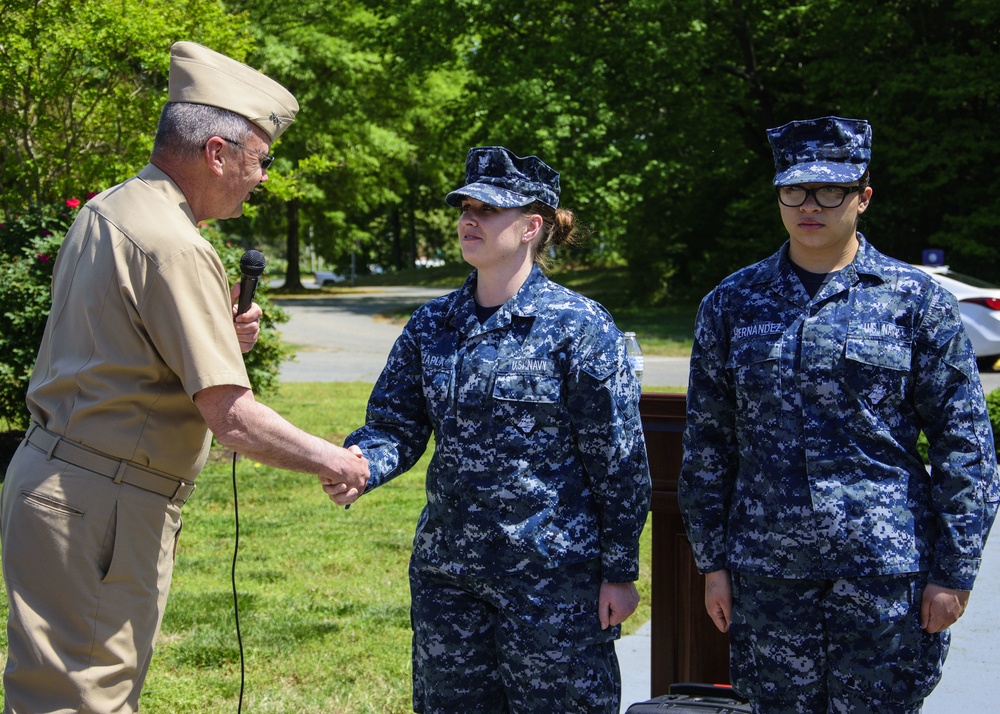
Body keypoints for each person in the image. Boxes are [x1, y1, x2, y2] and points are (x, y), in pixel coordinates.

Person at [0, 41, 368, 713]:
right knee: (86, 701)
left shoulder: (110, 209)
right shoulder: (175, 244)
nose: (260, 179)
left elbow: (115, 350)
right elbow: (231, 417)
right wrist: (333, 459)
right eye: (259, 161)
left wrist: (217, 339)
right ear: (217, 152)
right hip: (101, 503)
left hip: (58, 484)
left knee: (57, 693)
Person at [678, 115, 1000, 713]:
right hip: (768, 574)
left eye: (830, 191)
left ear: (863, 197)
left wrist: (955, 571)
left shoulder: (915, 301)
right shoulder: (731, 303)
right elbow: (708, 444)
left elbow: (965, 445)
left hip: (885, 575)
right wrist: (712, 563)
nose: (811, 205)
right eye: (795, 190)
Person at [332, 146, 651, 713]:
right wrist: (361, 465)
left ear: (532, 227)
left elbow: (619, 460)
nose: (469, 220)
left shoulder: (578, 326)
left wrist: (620, 571)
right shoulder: (433, 323)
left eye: (488, 209)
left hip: (553, 580)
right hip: (449, 576)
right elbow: (395, 425)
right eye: (465, 208)